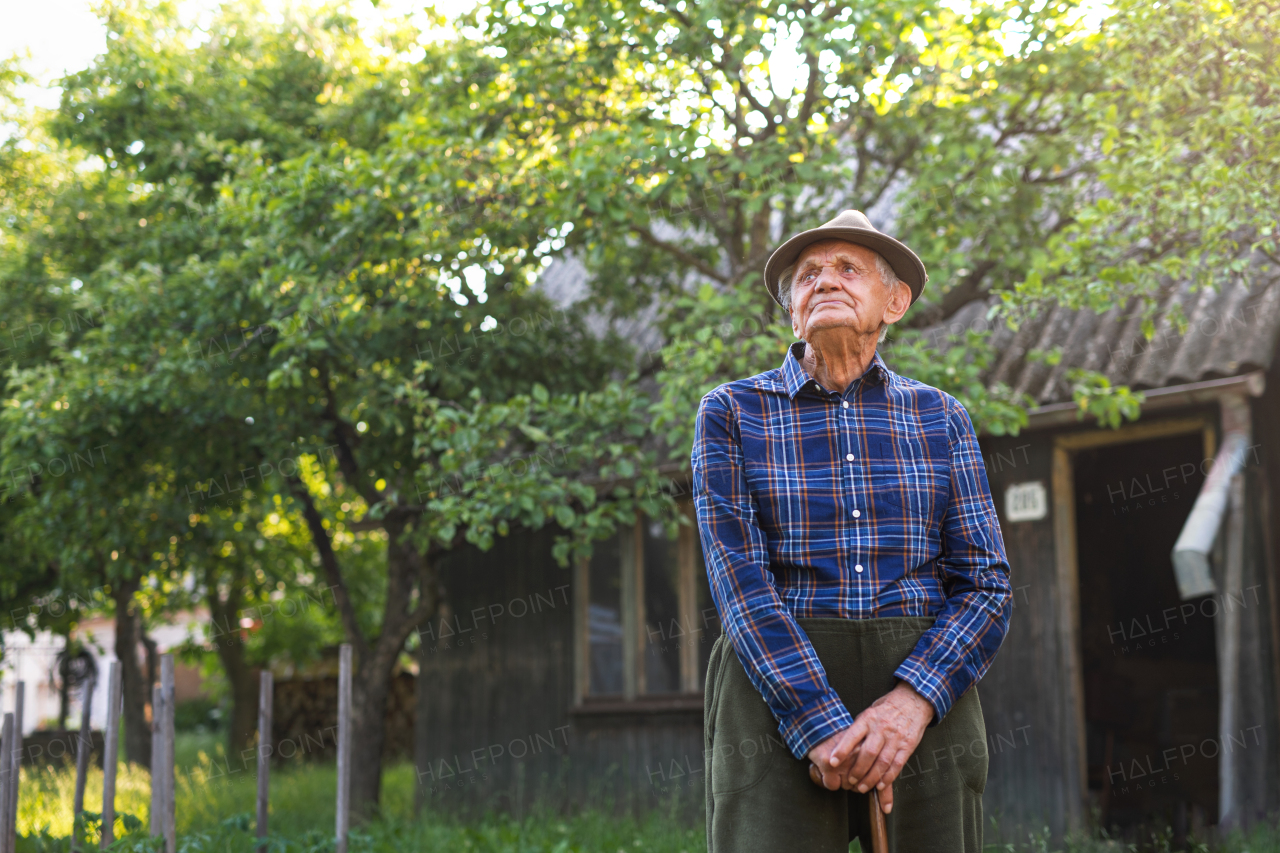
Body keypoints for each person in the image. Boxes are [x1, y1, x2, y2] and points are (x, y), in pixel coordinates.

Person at [691, 210, 1013, 852]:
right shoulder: (731, 412)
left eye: (848, 269)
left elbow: (985, 585)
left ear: (894, 302)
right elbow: (739, 583)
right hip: (773, 685)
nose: (824, 282)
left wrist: (908, 706)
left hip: (926, 690)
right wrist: (816, 724)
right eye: (807, 275)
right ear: (792, 312)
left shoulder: (941, 417)